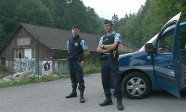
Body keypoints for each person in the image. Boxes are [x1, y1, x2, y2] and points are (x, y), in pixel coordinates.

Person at [96, 20, 124, 110]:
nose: (106, 28)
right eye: (105, 26)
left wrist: (103, 46)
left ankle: (119, 101)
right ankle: (108, 99)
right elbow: (98, 50)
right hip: (104, 60)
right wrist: (108, 49)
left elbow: (114, 46)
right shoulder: (102, 38)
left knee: (116, 80)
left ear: (111, 26)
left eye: (108, 26)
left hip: (112, 60)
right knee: (105, 80)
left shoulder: (117, 35)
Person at [66, 25, 89, 103]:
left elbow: (86, 52)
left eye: (76, 29)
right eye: (73, 29)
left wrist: (82, 61)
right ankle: (74, 92)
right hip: (71, 62)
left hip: (78, 62)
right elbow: (68, 51)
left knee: (80, 78)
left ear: (79, 31)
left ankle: (81, 95)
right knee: (72, 77)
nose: (74, 31)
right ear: (71, 30)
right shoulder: (69, 41)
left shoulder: (81, 41)